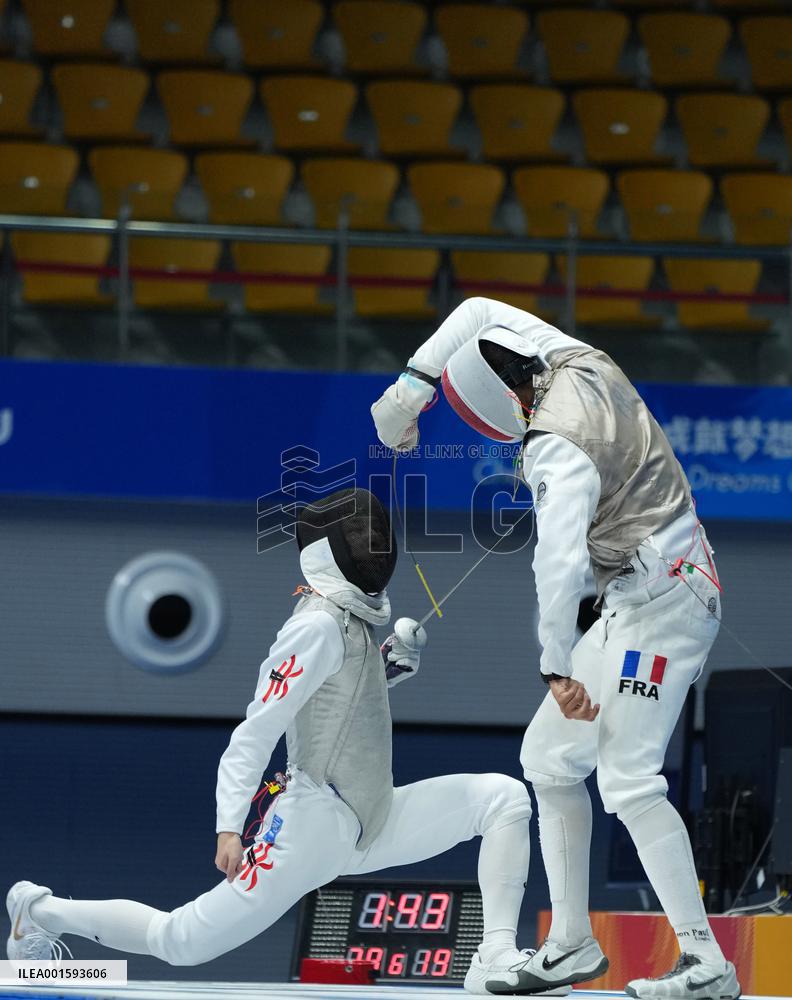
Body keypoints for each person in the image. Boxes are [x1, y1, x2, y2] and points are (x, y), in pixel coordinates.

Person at [7, 487, 565, 998]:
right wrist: (230, 826)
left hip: (371, 819)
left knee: (503, 798)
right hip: (312, 822)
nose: (376, 549)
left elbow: (339, 704)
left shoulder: (351, 622)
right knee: (181, 941)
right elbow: (259, 728)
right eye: (364, 541)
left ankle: (493, 956)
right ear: (332, 552)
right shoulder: (316, 625)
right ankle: (38, 911)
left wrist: (388, 667)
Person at [371, 298, 740, 1000]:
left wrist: (555, 661)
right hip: (641, 596)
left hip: (669, 605)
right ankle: (571, 942)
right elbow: (476, 310)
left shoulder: (553, 447)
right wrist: (410, 388)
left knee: (628, 780)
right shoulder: (568, 352)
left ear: (512, 406)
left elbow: (561, 565)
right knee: (548, 758)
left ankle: (707, 966)